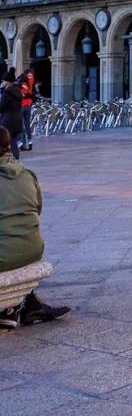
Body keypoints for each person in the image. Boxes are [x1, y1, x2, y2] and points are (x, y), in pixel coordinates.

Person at [0, 127, 70, 329]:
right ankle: (23, 306)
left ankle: (11, 309)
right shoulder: (27, 173)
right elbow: (37, 209)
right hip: (32, 249)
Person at [0, 71, 23, 160]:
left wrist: (2, 92)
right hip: (18, 120)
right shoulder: (18, 91)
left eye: (3, 81)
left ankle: (7, 161)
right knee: (14, 142)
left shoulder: (6, 92)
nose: (2, 83)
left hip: (7, 120)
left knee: (5, 141)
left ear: (8, 81)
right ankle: (15, 160)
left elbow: (1, 107)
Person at [18, 69, 35, 152]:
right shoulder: (26, 82)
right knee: (26, 124)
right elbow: (26, 93)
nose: (30, 77)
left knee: (24, 125)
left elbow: (24, 94)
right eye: (29, 76)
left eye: (31, 76)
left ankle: (23, 143)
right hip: (26, 105)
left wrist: (26, 92)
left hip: (23, 106)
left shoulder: (24, 83)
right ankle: (28, 142)